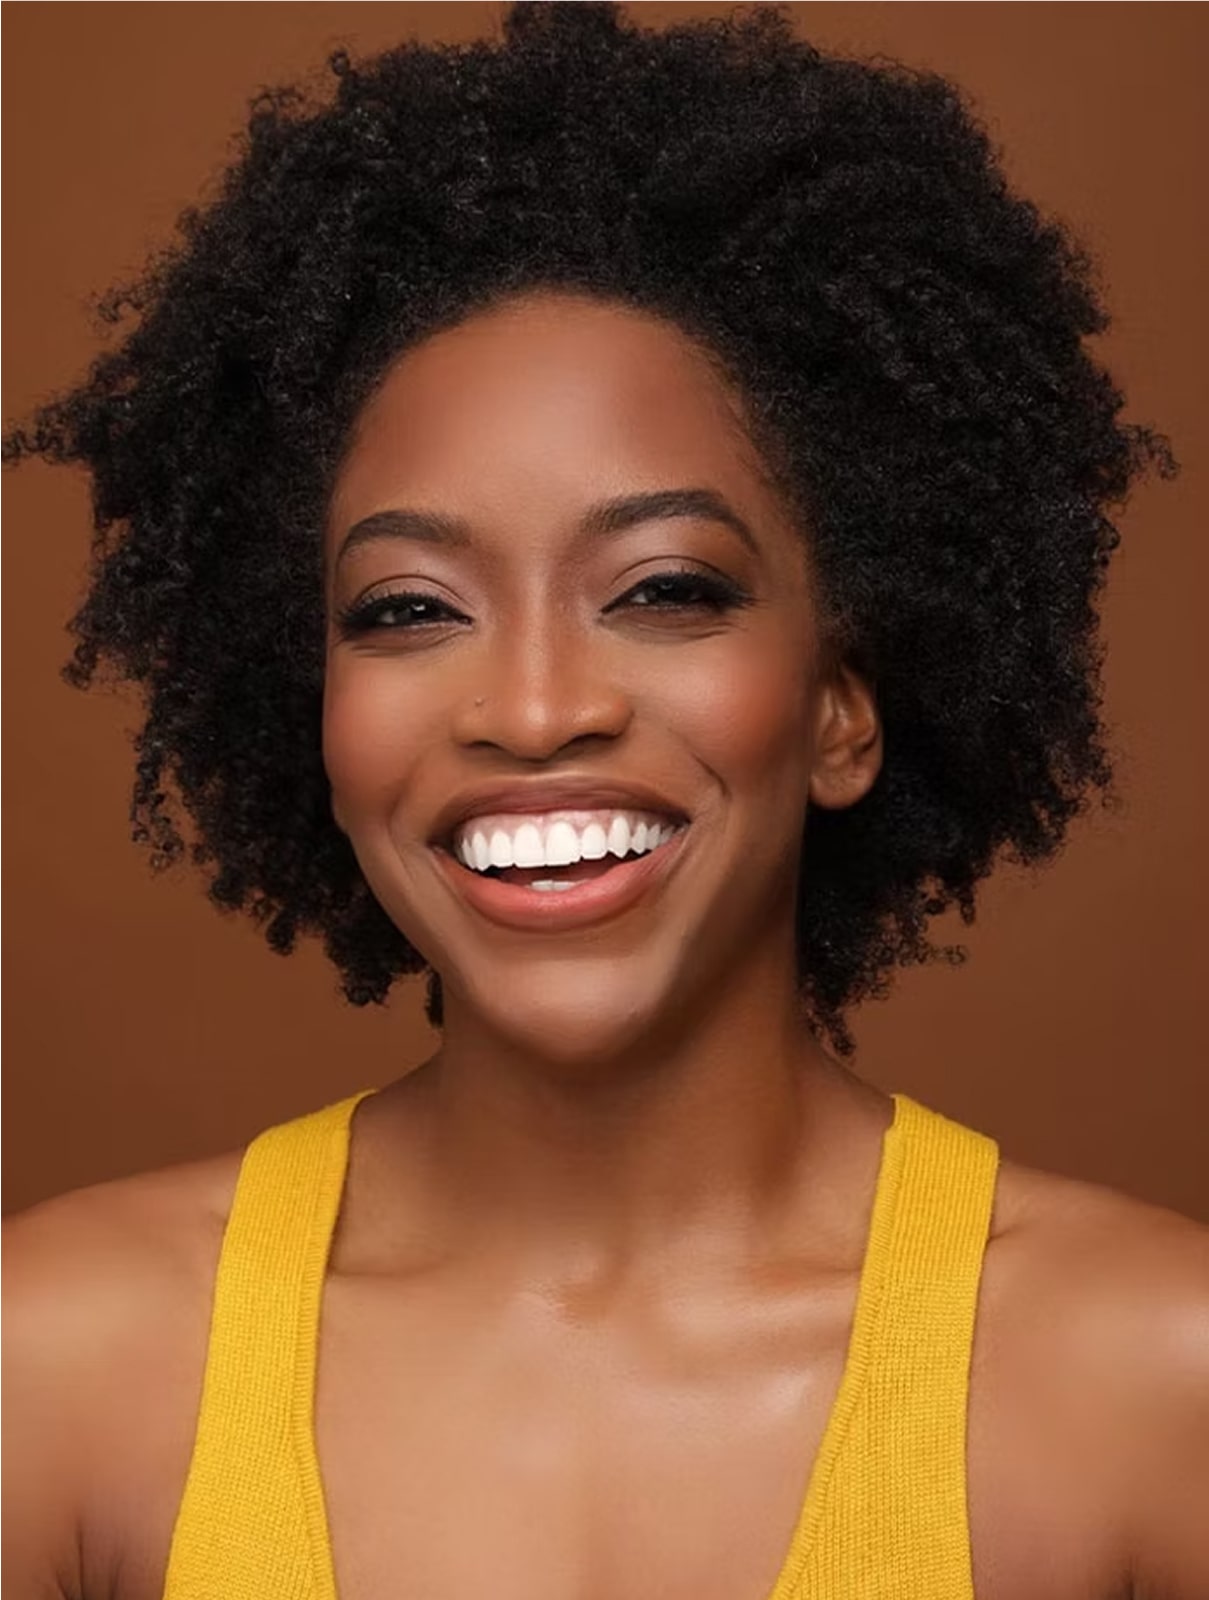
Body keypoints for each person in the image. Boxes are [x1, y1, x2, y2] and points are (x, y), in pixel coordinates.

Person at [4, 4, 1207, 1596]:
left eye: (663, 588)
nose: (533, 708)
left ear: (843, 710)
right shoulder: (58, 1375)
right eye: (409, 609)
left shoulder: (1151, 1390)